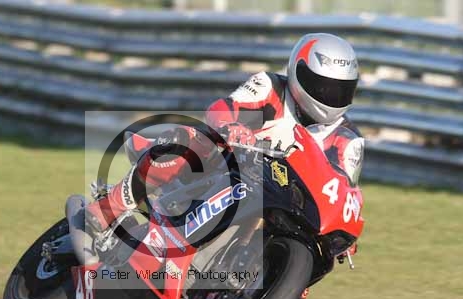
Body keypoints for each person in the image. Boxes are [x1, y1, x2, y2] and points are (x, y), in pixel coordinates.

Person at [85, 33, 365, 234]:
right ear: (298, 73)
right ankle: (112, 205)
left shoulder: (345, 137)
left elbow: (344, 192)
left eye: (341, 90)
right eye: (323, 86)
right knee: (190, 141)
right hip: (227, 169)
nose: (330, 96)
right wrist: (234, 127)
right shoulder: (272, 89)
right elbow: (223, 109)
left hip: (280, 203)